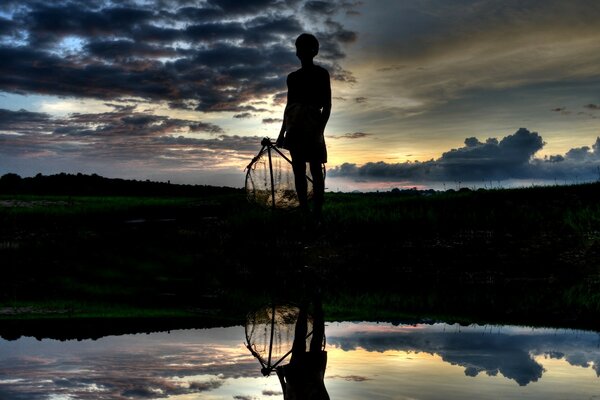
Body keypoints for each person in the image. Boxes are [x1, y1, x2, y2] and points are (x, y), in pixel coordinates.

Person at [276, 33, 331, 219]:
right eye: (300, 48)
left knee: (316, 169)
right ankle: (305, 212)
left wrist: (320, 130)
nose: (303, 51)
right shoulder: (292, 77)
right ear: (297, 52)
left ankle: (317, 213)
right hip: (295, 125)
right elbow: (288, 106)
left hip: (313, 125)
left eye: (307, 48)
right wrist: (281, 133)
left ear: (314, 51)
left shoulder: (321, 74)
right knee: (298, 171)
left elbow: (328, 105)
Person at [275, 295, 329, 400]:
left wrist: (280, 376)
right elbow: (324, 395)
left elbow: (286, 396)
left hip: (297, 375)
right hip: (311, 374)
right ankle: (316, 302)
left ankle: (306, 304)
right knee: (314, 338)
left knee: (301, 339)